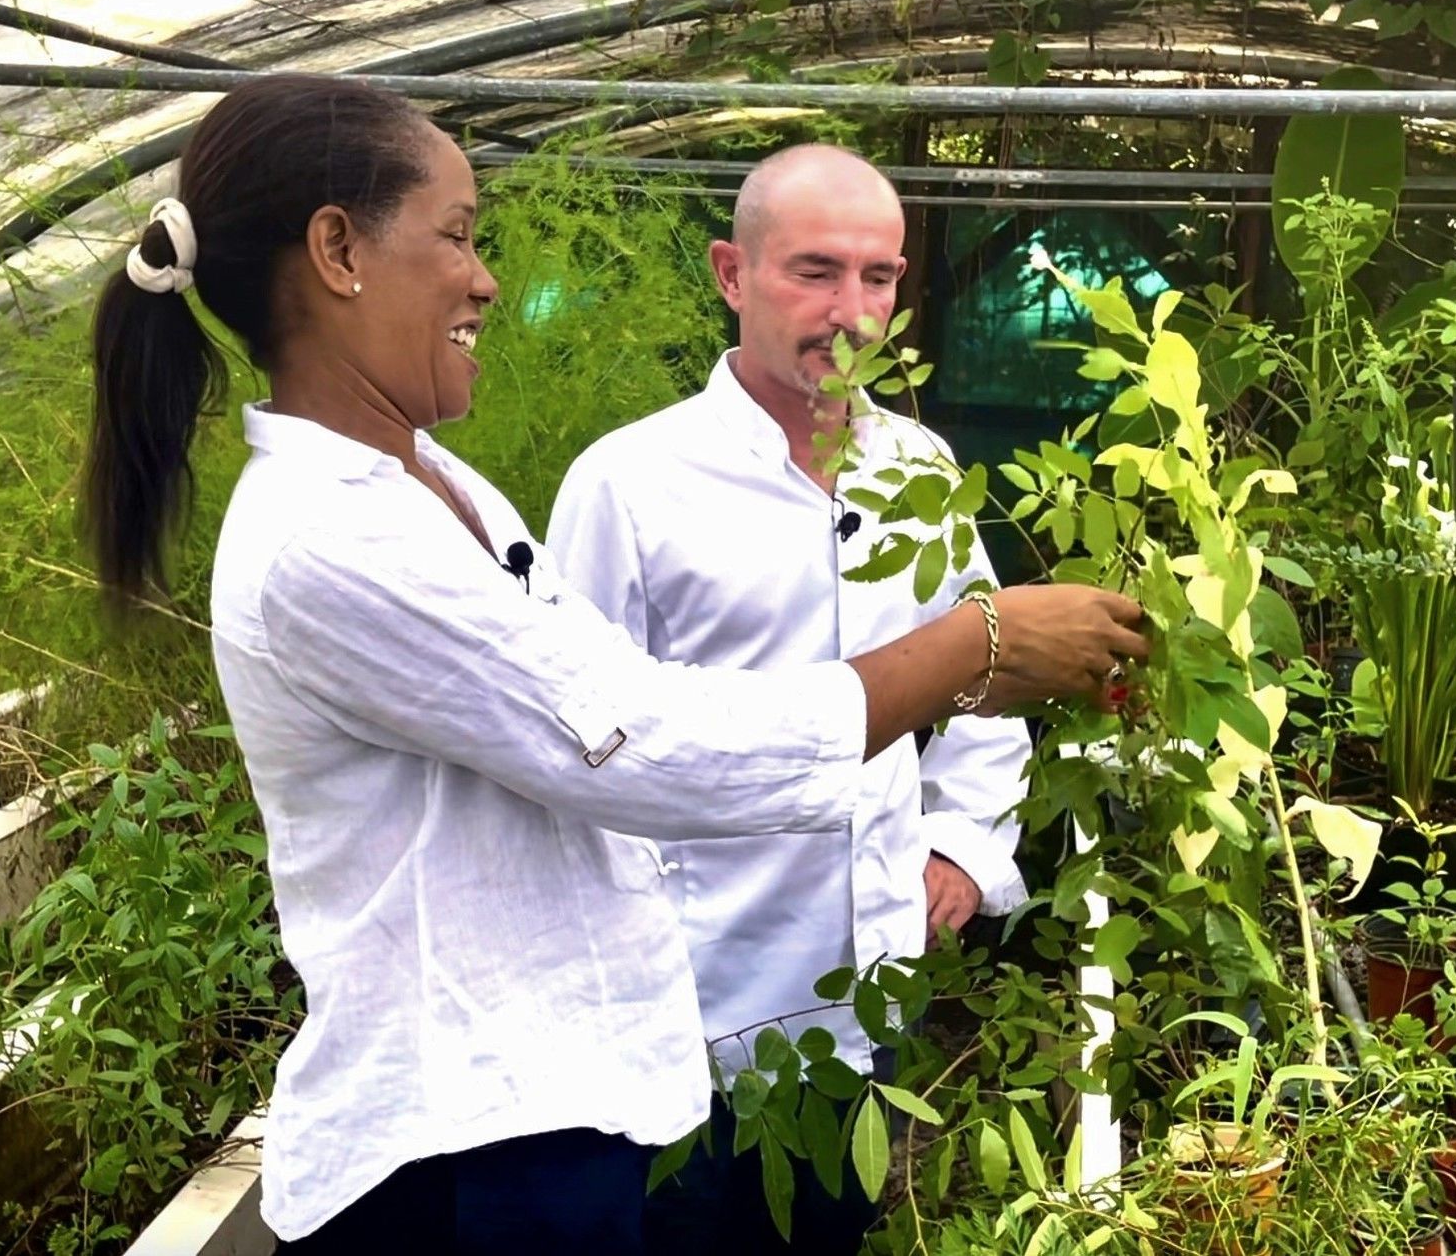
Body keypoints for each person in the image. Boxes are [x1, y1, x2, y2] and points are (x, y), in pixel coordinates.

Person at [81, 75, 1148, 1254]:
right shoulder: (336, 536)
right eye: (458, 236)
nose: (485, 278)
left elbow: (590, 712)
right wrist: (974, 643)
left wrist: (977, 703)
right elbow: (641, 740)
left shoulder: (429, 483)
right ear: (338, 249)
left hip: (574, 1093)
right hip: (470, 1141)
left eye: (880, 277)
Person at [549, 144, 1034, 1254]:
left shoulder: (917, 467)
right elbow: (575, 744)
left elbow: (984, 678)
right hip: (688, 1020)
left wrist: (958, 847)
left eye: (878, 278)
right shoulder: (632, 484)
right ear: (730, 272)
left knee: (826, 1232)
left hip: (863, 1017)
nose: (850, 312)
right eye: (813, 272)